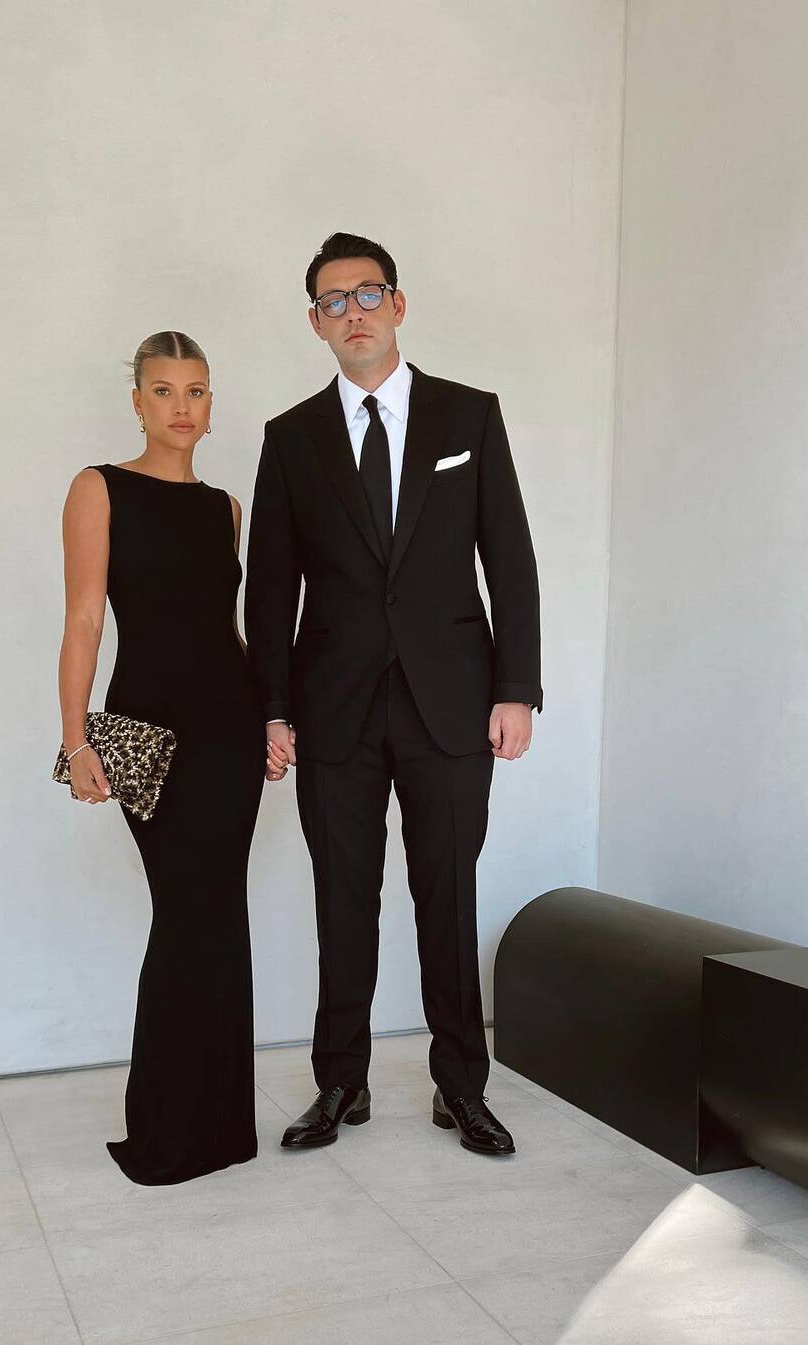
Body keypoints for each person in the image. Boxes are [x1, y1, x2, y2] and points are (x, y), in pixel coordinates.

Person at [247, 233, 542, 1156]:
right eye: (333, 301)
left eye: (368, 293)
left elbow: (511, 559)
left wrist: (517, 688)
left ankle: (461, 1086)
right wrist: (272, 706)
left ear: (399, 304)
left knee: (447, 898)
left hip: (451, 700)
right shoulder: (291, 438)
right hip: (332, 706)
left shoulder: (469, 416)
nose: (354, 313)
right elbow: (270, 588)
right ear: (316, 323)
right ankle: (342, 1081)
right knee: (344, 900)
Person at [57, 331, 274, 1184]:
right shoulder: (98, 488)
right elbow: (84, 621)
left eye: (196, 390)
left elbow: (229, 632)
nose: (181, 407)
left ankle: (220, 1129)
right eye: (163, 390)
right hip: (148, 736)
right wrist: (76, 737)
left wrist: (269, 720)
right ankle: (167, 1131)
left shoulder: (226, 509)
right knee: (185, 914)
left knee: (219, 914)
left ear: (210, 404)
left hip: (229, 732)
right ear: (138, 402)